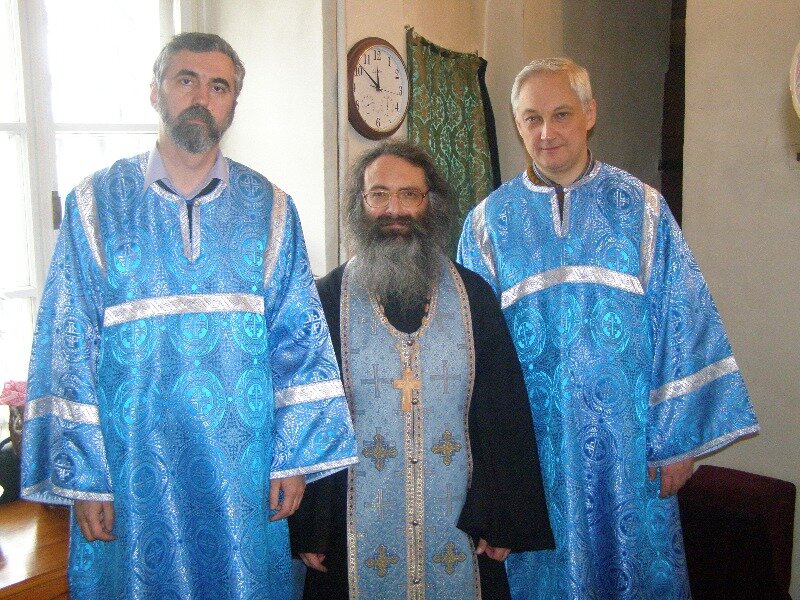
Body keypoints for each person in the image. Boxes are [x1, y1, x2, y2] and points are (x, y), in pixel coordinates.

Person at [20, 32, 357, 600]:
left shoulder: (271, 208)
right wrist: (86, 478)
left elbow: (298, 339)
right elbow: (67, 344)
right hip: (130, 470)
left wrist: (293, 458)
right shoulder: (95, 204)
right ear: (155, 93)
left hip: (242, 470)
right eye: (187, 80)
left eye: (219, 86)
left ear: (233, 104)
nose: (203, 96)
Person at [458, 57, 759, 599]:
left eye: (561, 114)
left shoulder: (641, 209)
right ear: (516, 122)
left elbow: (682, 320)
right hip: (534, 454)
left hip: (630, 446)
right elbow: (472, 358)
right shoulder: (486, 225)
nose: (547, 132)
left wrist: (678, 443)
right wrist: (495, 483)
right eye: (531, 118)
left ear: (590, 114)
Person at [289, 141, 554, 599]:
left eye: (409, 195)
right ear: (360, 203)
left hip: (459, 527)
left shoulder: (475, 298)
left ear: (431, 203)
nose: (395, 210)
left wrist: (500, 516)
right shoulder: (326, 300)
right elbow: (312, 415)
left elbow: (501, 414)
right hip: (355, 528)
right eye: (379, 195)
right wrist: (314, 525)